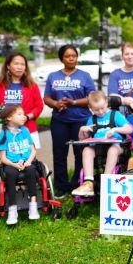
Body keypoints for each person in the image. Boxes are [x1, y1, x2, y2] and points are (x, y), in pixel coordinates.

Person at [43, 44, 95, 198]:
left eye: (74, 55)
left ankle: (78, 183)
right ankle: (61, 186)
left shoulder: (85, 76)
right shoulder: (53, 76)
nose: (71, 58)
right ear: (61, 58)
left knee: (81, 153)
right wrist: (56, 104)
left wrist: (73, 102)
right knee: (59, 153)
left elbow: (92, 98)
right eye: (67, 56)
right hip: (59, 120)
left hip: (81, 120)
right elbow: (47, 97)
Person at [71, 91, 133, 196]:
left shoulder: (115, 115)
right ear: (90, 108)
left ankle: (106, 180)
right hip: (98, 146)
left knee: (112, 150)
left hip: (117, 146)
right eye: (96, 110)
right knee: (87, 150)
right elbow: (83, 138)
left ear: (106, 103)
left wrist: (115, 130)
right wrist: (82, 130)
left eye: (102, 108)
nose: (100, 112)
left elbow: (129, 129)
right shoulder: (92, 119)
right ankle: (89, 183)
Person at [0, 52, 43, 149]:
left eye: (22, 64)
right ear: (8, 66)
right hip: (4, 131)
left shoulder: (32, 86)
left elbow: (39, 106)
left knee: (28, 161)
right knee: (6, 162)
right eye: (16, 64)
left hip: (27, 129)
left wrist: (27, 117)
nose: (19, 67)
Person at [0, 105, 39, 225]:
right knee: (9, 172)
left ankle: (33, 205)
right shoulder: (3, 135)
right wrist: (14, 165)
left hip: (27, 161)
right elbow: (3, 158)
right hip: (11, 164)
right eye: (19, 114)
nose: (23, 116)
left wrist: (28, 161)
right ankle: (12, 209)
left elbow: (33, 150)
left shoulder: (24, 131)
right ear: (9, 118)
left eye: (23, 114)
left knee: (31, 170)